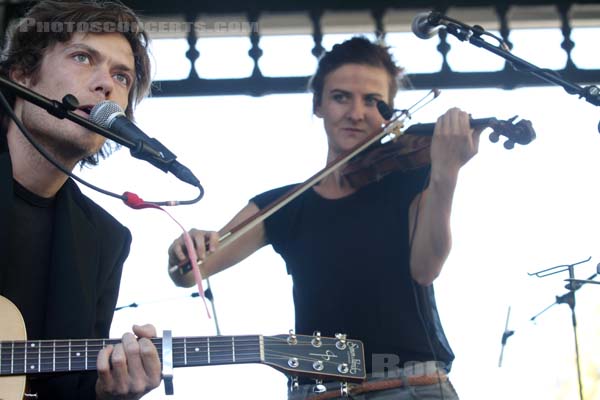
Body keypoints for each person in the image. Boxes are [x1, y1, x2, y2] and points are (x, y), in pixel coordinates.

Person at [168, 36, 480, 399]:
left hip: (410, 386)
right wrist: (181, 252)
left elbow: (426, 268)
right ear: (318, 105)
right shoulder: (283, 204)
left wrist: (446, 173)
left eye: (373, 101)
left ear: (389, 116)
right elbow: (191, 272)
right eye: (341, 97)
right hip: (320, 391)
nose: (356, 113)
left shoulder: (411, 179)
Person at [0, 1, 161, 399]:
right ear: (22, 75)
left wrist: (109, 393)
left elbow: (73, 387)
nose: (105, 84)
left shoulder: (106, 239)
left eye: (121, 77)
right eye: (82, 57)